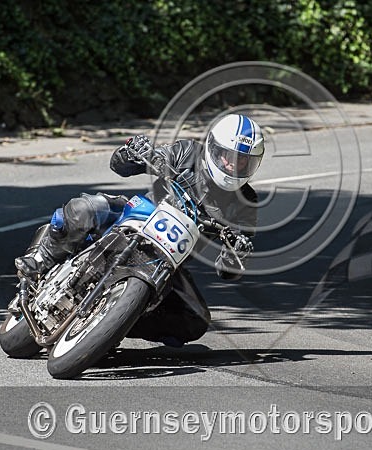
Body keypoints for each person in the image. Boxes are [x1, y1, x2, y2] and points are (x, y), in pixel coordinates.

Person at [14, 114, 265, 347]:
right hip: (138, 215)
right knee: (84, 209)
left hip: (167, 261)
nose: (234, 165)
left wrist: (237, 255)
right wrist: (134, 153)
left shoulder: (247, 201)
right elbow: (121, 165)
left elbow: (228, 269)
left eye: (243, 160)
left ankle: (106, 328)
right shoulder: (188, 152)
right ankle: (41, 260)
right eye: (229, 156)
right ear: (213, 147)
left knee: (194, 321)